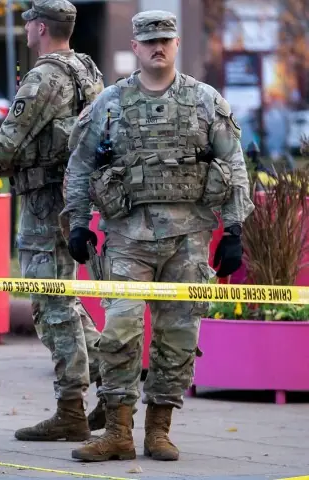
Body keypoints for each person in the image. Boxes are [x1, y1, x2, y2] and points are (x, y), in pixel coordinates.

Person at [61, 11, 254, 462]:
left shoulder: (206, 100)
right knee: (121, 332)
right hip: (127, 236)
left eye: (165, 39)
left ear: (176, 43)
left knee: (178, 337)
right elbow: (80, 167)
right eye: (149, 41)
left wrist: (234, 229)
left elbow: (235, 164)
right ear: (135, 46)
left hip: (189, 238)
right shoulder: (110, 102)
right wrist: (76, 223)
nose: (157, 48)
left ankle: (159, 430)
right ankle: (117, 432)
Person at [0, 0, 109, 443]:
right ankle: (117, 386)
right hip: (76, 202)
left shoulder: (44, 76)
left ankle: (70, 408)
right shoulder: (88, 70)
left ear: (40, 28)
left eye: (27, 25)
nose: (24, 32)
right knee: (67, 301)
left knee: (51, 303)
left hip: (44, 204)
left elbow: (7, 144)